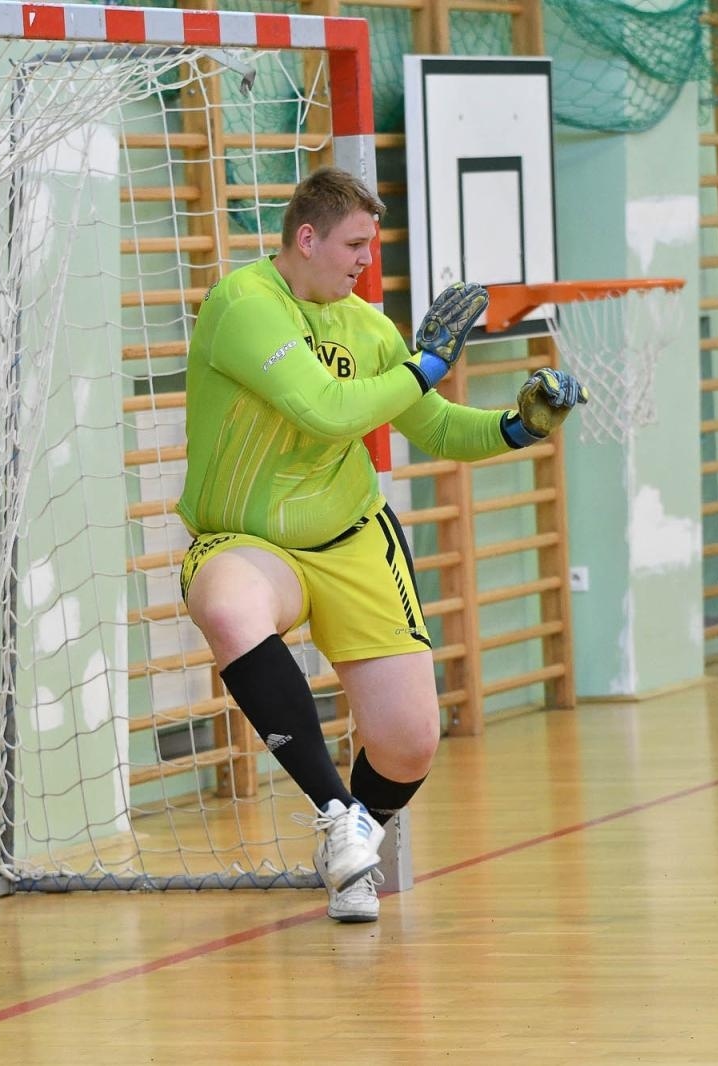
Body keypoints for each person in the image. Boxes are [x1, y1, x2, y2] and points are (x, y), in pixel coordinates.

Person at [176, 166, 588, 923]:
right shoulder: (246, 305)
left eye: (372, 245)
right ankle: (338, 818)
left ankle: (353, 850)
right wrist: (424, 364)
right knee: (231, 610)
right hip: (248, 540)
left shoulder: (368, 326)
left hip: (354, 537)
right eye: (354, 244)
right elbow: (327, 411)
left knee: (407, 744)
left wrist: (516, 425)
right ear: (306, 238)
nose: (366, 261)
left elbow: (432, 426)